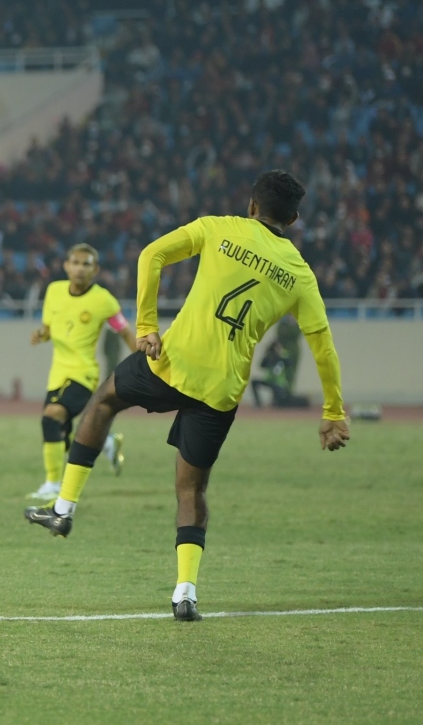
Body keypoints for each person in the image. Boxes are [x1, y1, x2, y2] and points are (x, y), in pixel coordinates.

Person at [25, 171, 349, 621]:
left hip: (170, 364)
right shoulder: (300, 275)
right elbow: (322, 344)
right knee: (191, 488)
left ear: (252, 206)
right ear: (292, 219)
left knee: (103, 402)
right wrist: (333, 411)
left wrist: (146, 327)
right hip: (221, 390)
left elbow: (151, 255)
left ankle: (63, 508)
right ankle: (185, 594)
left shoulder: (218, 227)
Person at [27, 244, 137, 504]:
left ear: (95, 270)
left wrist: (144, 360)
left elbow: (123, 330)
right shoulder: (54, 291)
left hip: (83, 373)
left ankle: (53, 484)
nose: (79, 268)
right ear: (66, 266)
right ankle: (106, 441)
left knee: (51, 417)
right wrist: (41, 335)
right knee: (59, 433)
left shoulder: (103, 300)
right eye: (75, 263)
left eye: (86, 264)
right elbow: (48, 328)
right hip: (58, 373)